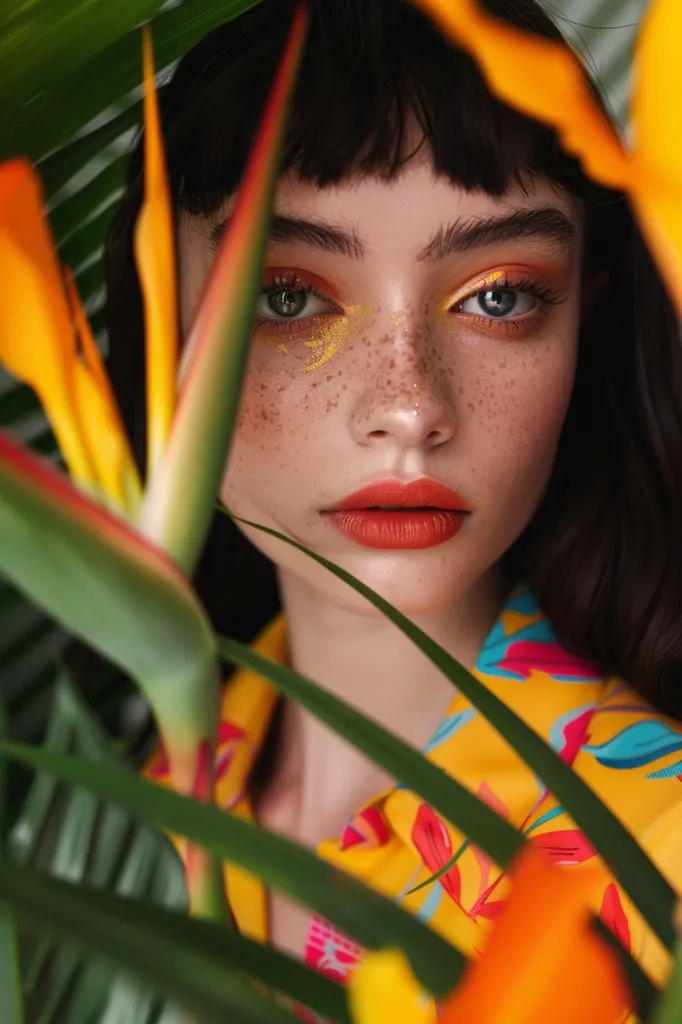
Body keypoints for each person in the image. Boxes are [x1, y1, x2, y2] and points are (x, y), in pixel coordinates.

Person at [105, 0, 682, 996]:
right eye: (288, 295)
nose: (407, 406)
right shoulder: (132, 800)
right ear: (160, 311)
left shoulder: (654, 857)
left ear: (585, 317)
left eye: (500, 294)